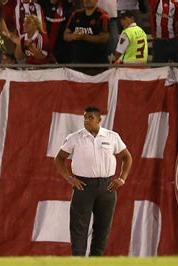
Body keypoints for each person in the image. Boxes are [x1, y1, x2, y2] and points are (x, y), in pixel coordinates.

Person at [54, 106, 132, 256]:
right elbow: (59, 159)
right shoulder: (75, 137)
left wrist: (122, 178)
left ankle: (96, 261)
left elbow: (127, 157)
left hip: (107, 186)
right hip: (83, 186)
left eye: (90, 117)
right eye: (85, 117)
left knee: (103, 228)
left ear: (99, 119)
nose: (86, 120)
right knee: (79, 228)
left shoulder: (112, 137)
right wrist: (70, 178)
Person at [64, 0, 109, 73]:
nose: (87, 0)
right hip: (77, 64)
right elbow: (65, 36)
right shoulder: (75, 14)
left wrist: (84, 37)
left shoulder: (102, 15)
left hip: (97, 65)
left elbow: (104, 38)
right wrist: (73, 36)